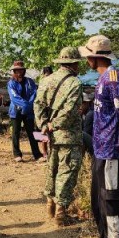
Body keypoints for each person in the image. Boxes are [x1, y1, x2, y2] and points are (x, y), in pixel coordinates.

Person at [79, 35, 119, 238]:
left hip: (111, 148)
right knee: (98, 197)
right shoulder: (102, 79)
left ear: (95, 57)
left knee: (111, 198)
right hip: (100, 147)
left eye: (88, 56)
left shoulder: (113, 78)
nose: (86, 61)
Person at [33, 47, 83, 226]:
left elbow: (38, 104)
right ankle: (61, 213)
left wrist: (44, 125)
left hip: (50, 136)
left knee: (51, 169)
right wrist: (54, 125)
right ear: (74, 63)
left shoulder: (46, 80)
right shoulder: (75, 83)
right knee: (66, 171)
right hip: (69, 136)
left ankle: (50, 207)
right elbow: (70, 111)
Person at [7, 60, 42, 163]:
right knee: (16, 132)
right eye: (16, 70)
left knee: (32, 132)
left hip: (29, 111)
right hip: (16, 110)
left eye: (20, 70)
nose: (19, 72)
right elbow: (14, 97)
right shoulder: (11, 83)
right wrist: (25, 105)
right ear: (14, 71)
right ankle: (17, 154)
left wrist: (29, 105)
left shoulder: (30, 82)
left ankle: (37, 154)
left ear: (24, 70)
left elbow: (34, 93)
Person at [37, 66, 54, 160]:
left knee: (49, 131)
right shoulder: (41, 84)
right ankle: (44, 153)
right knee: (42, 131)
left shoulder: (53, 83)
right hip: (42, 109)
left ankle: (48, 153)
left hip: (50, 109)